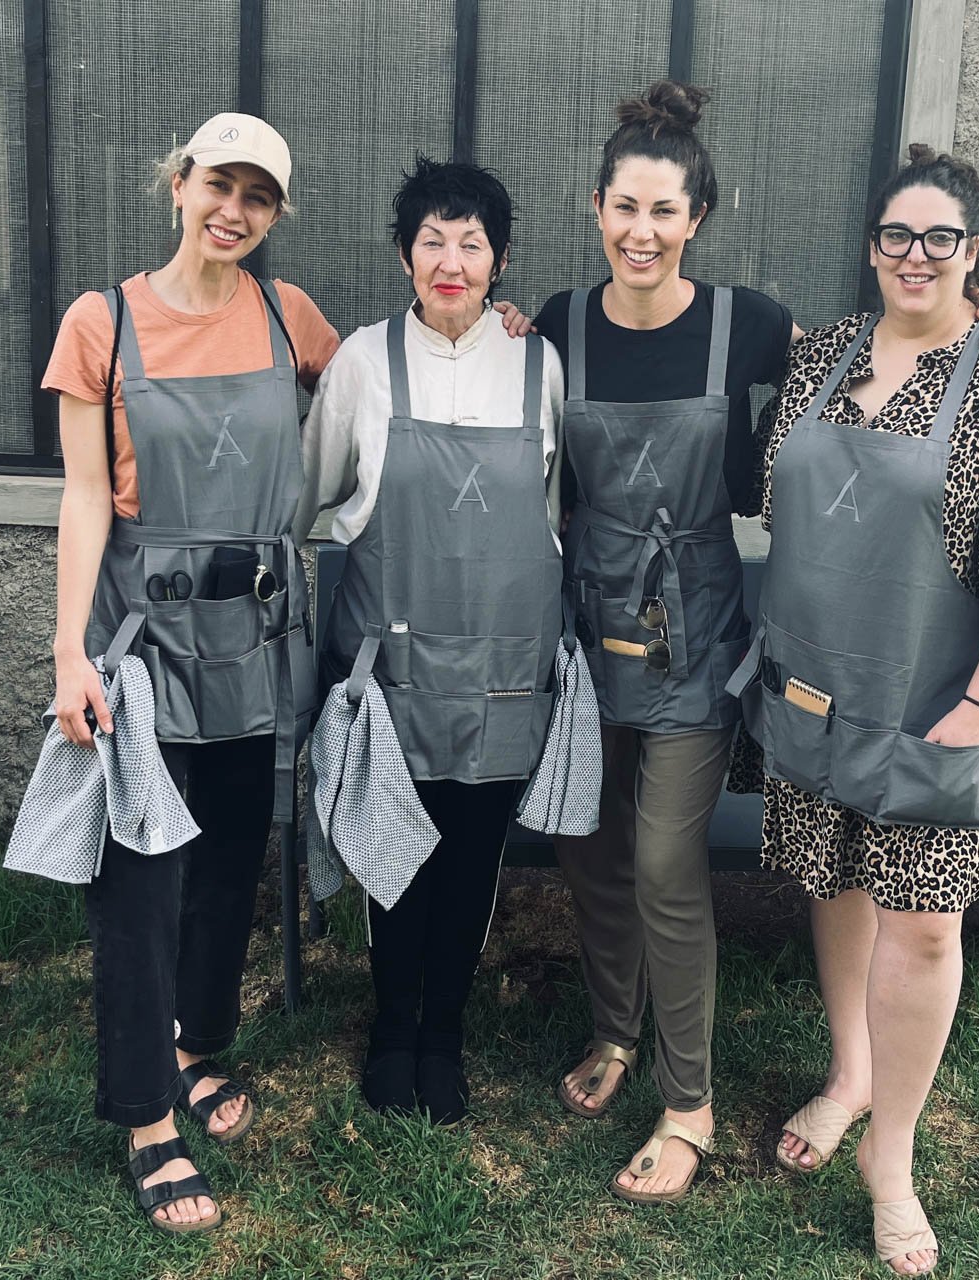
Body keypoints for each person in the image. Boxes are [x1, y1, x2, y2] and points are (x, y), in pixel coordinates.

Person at [498, 82, 979, 1207]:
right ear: (594, 210)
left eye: (664, 211)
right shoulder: (555, 324)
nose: (641, 230)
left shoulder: (753, 325)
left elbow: (877, 354)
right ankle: (613, 1029)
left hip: (695, 639)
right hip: (585, 634)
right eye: (622, 206)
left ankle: (688, 1102)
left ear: (697, 219)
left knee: (668, 861)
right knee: (587, 843)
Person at [730, 146, 979, 1273]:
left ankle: (890, 1154)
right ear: (871, 243)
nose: (913, 255)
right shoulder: (818, 360)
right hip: (820, 687)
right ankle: (847, 1073)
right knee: (835, 877)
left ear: (973, 250)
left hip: (944, 700)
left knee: (923, 919)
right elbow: (768, 490)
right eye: (895, 234)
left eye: (939, 237)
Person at [40, 112, 339, 1233]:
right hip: (144, 646)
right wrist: (70, 647)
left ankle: (196, 1043)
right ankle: (146, 1116)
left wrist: (482, 320)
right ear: (179, 183)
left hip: (256, 644)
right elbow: (78, 495)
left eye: (258, 196)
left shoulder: (287, 314)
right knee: (144, 881)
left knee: (226, 866)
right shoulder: (101, 321)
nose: (235, 210)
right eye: (220, 184)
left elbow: (387, 380)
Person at [293, 156, 566, 1127]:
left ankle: (442, 1032)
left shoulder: (541, 365)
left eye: (471, 241)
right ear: (404, 254)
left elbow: (554, 516)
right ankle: (390, 1025)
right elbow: (307, 494)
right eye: (431, 240)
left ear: (498, 260)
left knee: (469, 861)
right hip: (392, 677)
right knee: (393, 855)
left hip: (499, 676)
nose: (450, 260)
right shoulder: (364, 362)